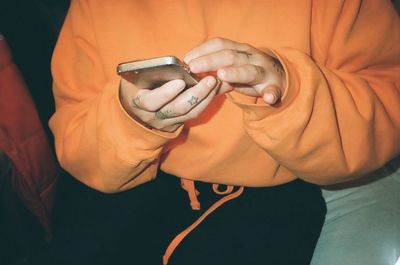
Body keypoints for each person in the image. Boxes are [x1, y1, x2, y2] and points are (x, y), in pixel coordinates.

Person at [48, 1, 400, 265]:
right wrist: (128, 116)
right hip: (133, 187)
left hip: (276, 193)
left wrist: (288, 87)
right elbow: (75, 141)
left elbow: (386, 104)